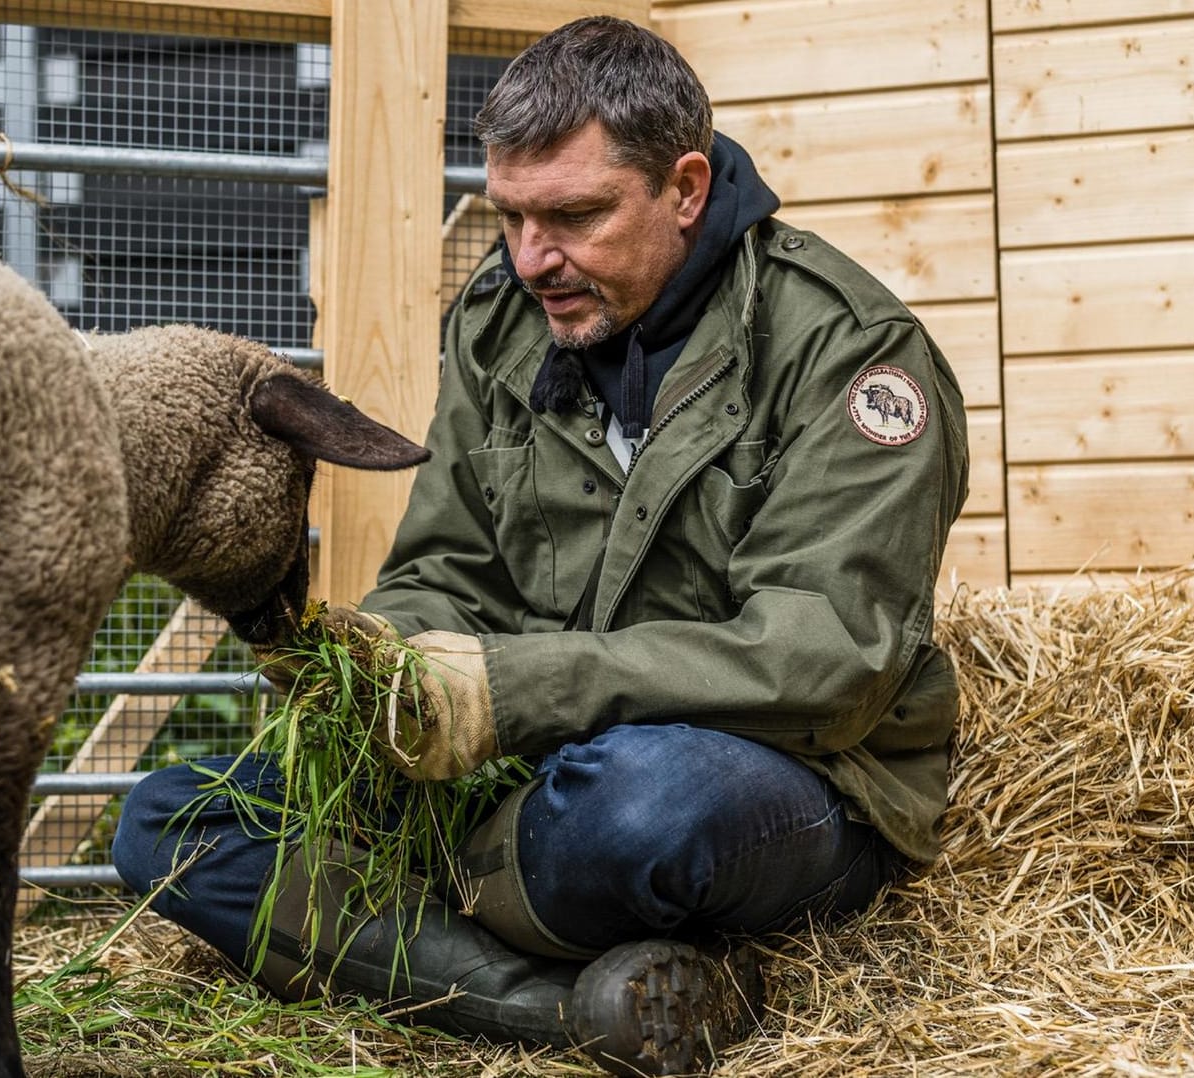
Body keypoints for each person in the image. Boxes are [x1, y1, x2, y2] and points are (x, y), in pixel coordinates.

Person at [113, 15, 968, 1077]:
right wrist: (388, 670)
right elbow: (446, 563)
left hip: (784, 781)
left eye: (574, 216)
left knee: (641, 808)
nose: (531, 259)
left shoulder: (847, 350)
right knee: (168, 822)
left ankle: (433, 906)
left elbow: (827, 659)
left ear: (686, 189)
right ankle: (565, 1008)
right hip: (535, 772)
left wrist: (510, 692)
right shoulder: (503, 318)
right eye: (510, 216)